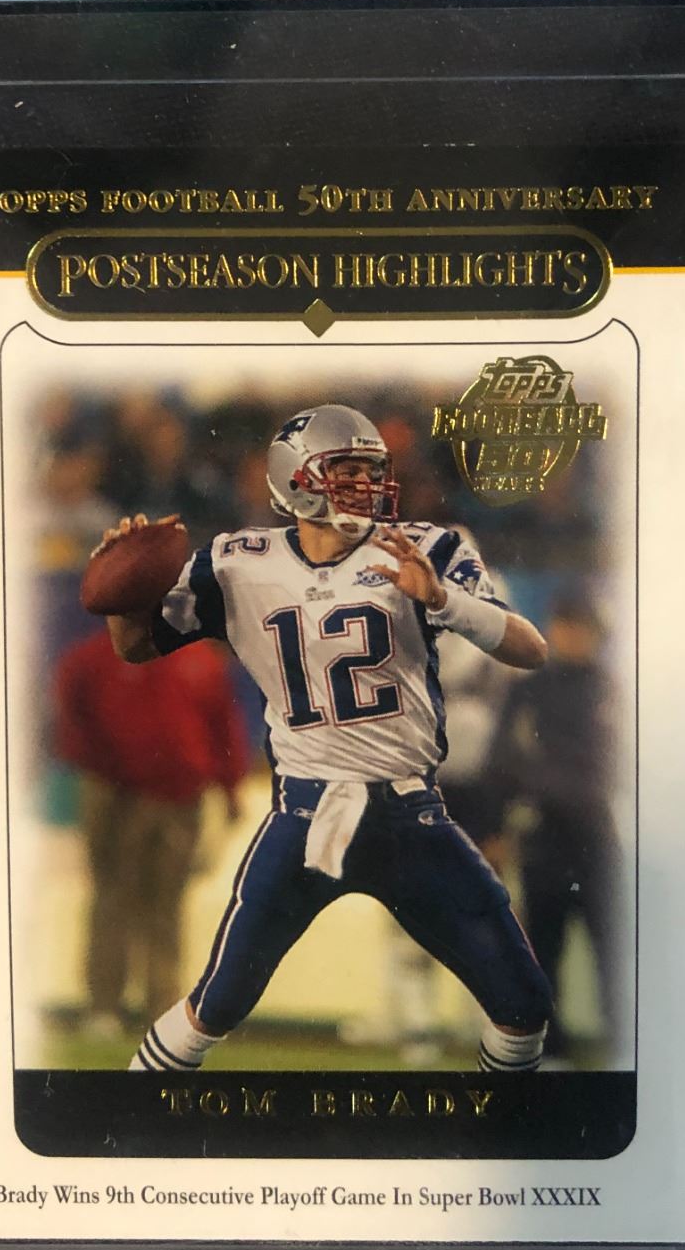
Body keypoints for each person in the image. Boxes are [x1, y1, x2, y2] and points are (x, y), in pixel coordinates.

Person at [94, 403, 555, 1076]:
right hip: (307, 816)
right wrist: (123, 596)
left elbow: (530, 649)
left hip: (411, 813)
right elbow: (137, 646)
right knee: (215, 1004)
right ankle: (120, 1113)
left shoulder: (425, 547)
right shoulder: (237, 561)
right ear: (297, 478)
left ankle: (495, 1125)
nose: (367, 485)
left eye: (373, 471)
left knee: (524, 1005)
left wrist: (443, 602)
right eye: (348, 470)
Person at [54, 628, 247, 1032]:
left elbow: (223, 727)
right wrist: (99, 772)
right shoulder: (95, 657)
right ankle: (103, 1006)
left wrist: (231, 790)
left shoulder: (201, 661)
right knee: (113, 899)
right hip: (115, 795)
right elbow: (69, 716)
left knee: (166, 905)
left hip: (179, 798)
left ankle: (162, 1008)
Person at [502, 594, 622, 1058]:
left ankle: (623, 1045)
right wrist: (498, 825)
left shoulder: (614, 688)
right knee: (543, 946)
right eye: (565, 624)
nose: (573, 636)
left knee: (610, 945)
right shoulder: (529, 689)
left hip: (595, 832)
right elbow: (503, 758)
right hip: (545, 832)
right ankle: (550, 1050)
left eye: (581, 626)